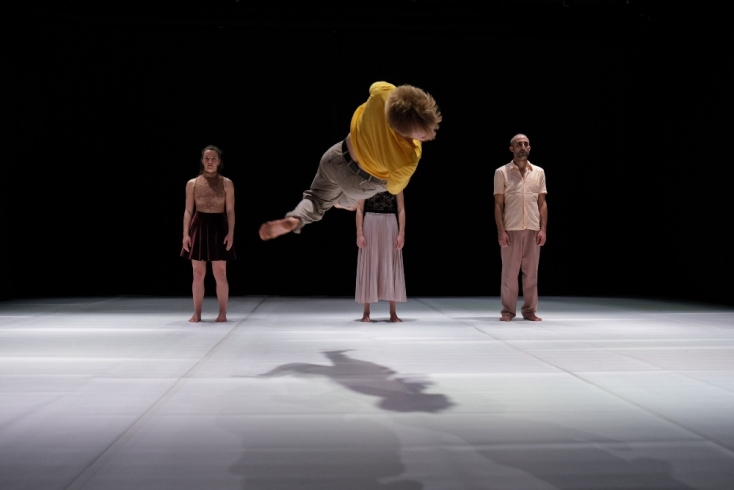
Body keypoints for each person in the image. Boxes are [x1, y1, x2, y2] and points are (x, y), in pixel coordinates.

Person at [258, 81, 441, 240]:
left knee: (316, 199)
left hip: (335, 156)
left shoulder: (384, 93)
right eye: (423, 135)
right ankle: (343, 203)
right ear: (403, 131)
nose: (430, 135)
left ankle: (295, 218)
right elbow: (394, 188)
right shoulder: (408, 158)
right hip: (360, 182)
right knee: (357, 197)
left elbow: (377, 87)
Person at [493, 134, 548, 322]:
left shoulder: (538, 172)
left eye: (526, 144)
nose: (523, 147)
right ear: (512, 149)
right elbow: (498, 204)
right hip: (511, 228)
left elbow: (542, 203)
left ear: (529, 148)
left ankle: (530, 311)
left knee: (531, 274)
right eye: (519, 144)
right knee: (509, 274)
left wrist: (543, 229)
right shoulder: (502, 172)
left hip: (532, 228)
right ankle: (508, 311)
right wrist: (501, 231)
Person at [180, 145, 236, 323]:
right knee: (197, 273)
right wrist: (185, 234)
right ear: (202, 161)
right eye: (207, 159)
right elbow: (188, 210)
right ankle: (197, 313)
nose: (210, 162)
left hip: (219, 227)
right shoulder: (192, 183)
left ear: (219, 161)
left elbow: (230, 210)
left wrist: (231, 233)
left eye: (213, 159)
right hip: (199, 227)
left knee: (220, 273)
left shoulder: (227, 183)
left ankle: (222, 313)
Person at [355, 190, 406, 322]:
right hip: (370, 222)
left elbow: (401, 209)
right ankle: (366, 312)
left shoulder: (396, 182)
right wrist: (359, 233)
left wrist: (401, 233)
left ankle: (393, 312)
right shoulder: (366, 182)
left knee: (391, 263)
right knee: (369, 263)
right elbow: (359, 209)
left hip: (390, 222)